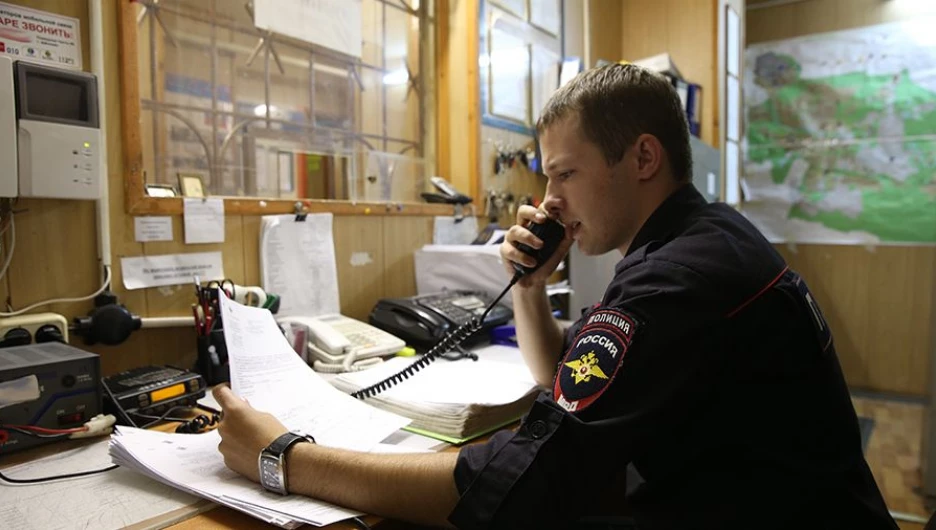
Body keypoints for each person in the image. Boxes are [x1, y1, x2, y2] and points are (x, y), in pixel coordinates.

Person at [212, 63, 898, 529]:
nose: (550, 202)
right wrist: (532, 288)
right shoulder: (700, 237)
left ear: (643, 159)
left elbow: (525, 481)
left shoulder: (674, 278)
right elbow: (565, 379)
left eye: (566, 173)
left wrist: (285, 457)